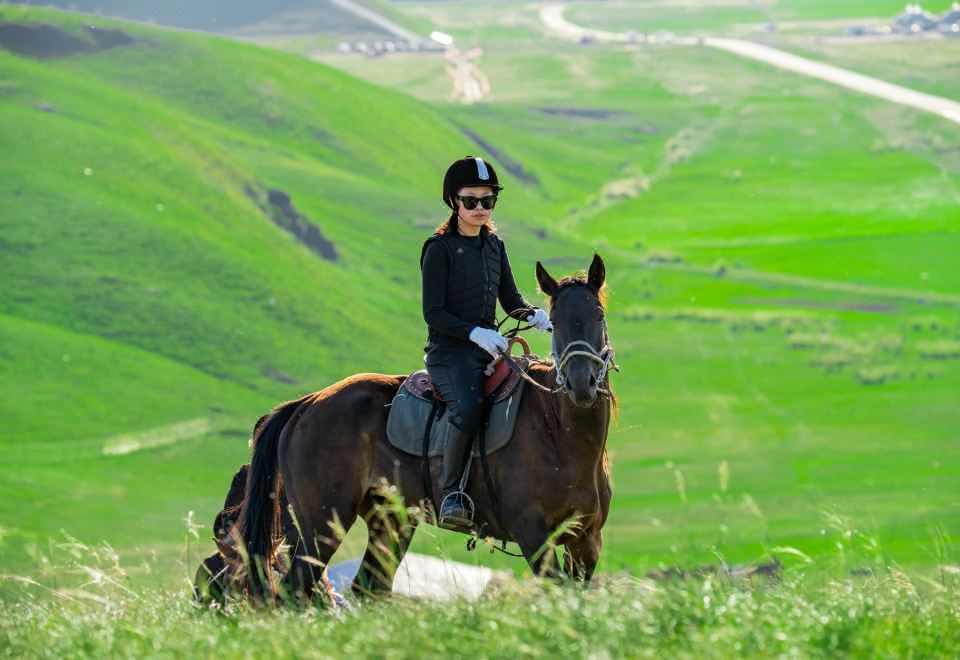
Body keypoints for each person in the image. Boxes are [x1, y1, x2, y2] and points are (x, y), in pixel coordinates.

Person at [419, 156, 552, 530]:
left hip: (490, 350)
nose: (480, 208)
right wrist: (474, 332)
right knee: (471, 405)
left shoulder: (495, 246)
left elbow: (510, 299)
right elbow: (433, 312)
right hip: (450, 354)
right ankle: (449, 495)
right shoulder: (438, 249)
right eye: (470, 200)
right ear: (453, 202)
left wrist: (534, 315)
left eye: (487, 200)